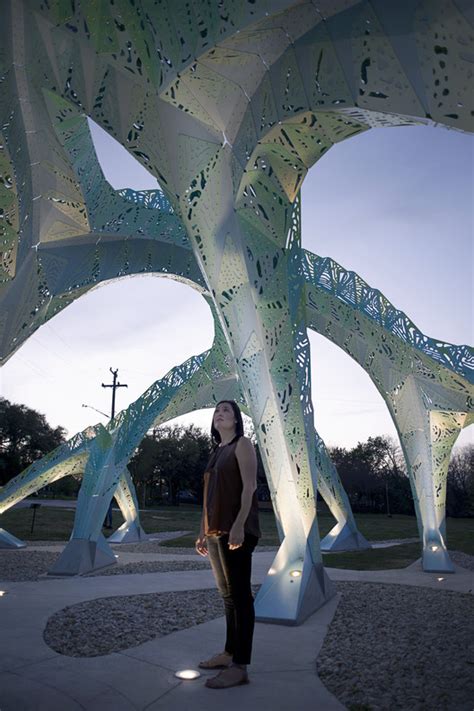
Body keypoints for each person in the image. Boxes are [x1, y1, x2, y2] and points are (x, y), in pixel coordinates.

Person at [195, 400, 261, 689]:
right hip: (214, 531)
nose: (219, 413)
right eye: (216, 411)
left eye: (226, 410)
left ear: (235, 420)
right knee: (227, 596)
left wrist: (239, 525)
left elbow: (250, 487)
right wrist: (202, 531)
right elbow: (208, 495)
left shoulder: (242, 444)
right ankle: (228, 652)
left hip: (237, 530)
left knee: (241, 597)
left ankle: (240, 666)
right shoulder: (215, 452)